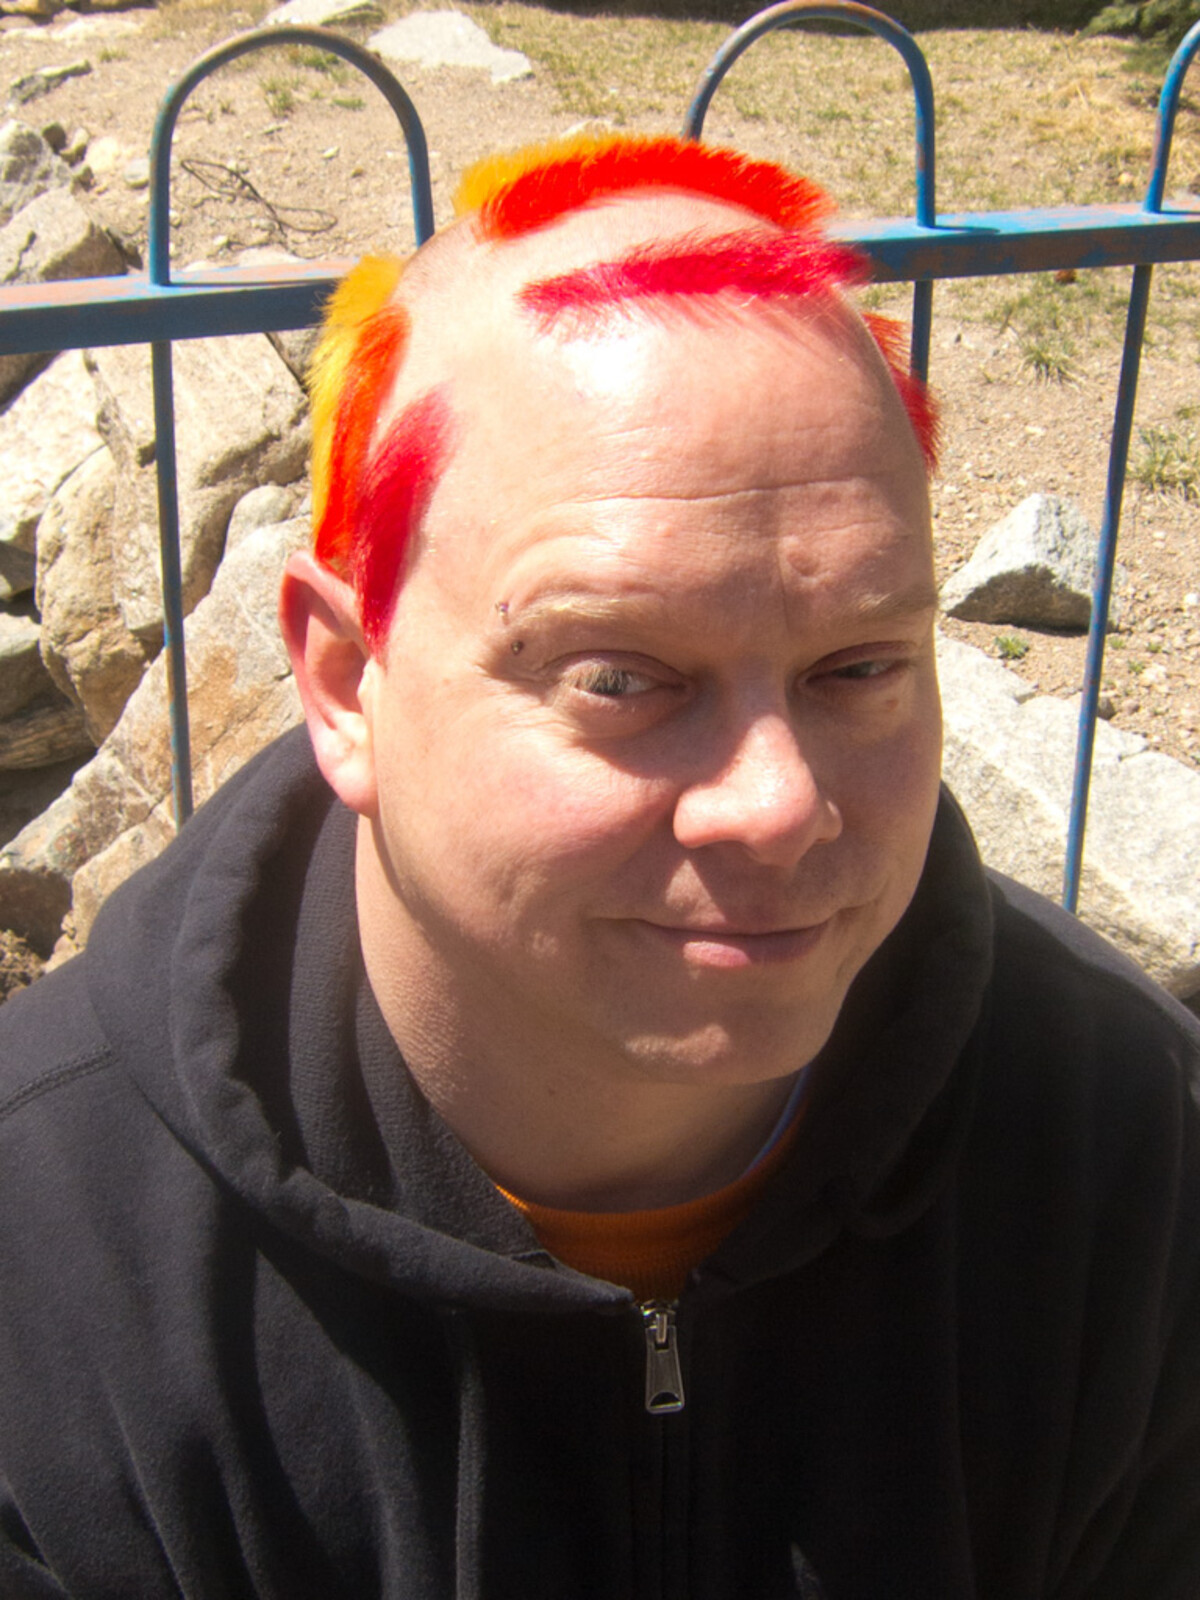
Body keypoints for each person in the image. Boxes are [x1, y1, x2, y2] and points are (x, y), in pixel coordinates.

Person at [1, 133, 1198, 1600]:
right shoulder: (44, 1275)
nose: (778, 805)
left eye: (859, 666)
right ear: (345, 682)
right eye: (621, 678)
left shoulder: (1130, 1152)